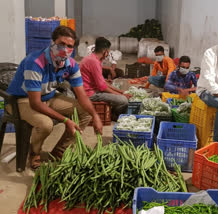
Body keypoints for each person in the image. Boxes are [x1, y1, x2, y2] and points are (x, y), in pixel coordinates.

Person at [6, 26, 103, 169]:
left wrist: (95, 115)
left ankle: (59, 151)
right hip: (22, 100)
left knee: (85, 112)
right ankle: (34, 153)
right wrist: (65, 120)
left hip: (49, 97)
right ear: (52, 43)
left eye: (69, 46)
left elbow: (82, 94)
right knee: (46, 124)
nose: (64, 49)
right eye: (61, 44)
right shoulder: (35, 62)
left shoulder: (71, 64)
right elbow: (35, 103)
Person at [80, 37, 131, 120]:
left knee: (119, 94)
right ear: (105, 51)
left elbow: (103, 82)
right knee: (124, 101)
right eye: (108, 52)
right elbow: (102, 87)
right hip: (90, 94)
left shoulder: (93, 58)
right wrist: (122, 95)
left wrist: (121, 91)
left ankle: (112, 110)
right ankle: (113, 115)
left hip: (93, 89)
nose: (108, 54)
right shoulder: (94, 62)